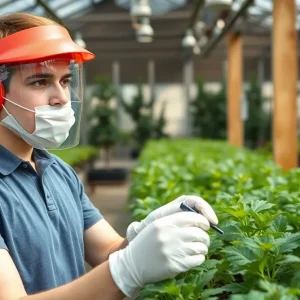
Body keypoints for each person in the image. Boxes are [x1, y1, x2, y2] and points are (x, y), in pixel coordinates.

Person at [0, 12, 219, 300]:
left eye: (65, 81)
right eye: (40, 82)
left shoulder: (59, 172)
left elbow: (107, 252)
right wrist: (127, 271)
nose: (62, 97)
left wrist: (143, 234)